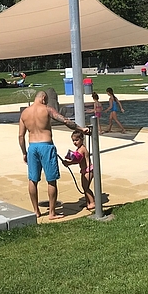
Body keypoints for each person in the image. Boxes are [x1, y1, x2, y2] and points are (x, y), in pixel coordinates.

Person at [18, 90, 89, 220]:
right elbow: (66, 121)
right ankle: (52, 212)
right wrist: (81, 129)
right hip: (46, 146)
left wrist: (24, 152)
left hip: (32, 147)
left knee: (32, 180)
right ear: (44, 98)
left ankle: (36, 211)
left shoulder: (25, 113)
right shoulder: (47, 109)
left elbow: (21, 136)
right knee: (51, 179)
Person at [61, 130, 95, 210]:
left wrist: (68, 163)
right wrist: (68, 161)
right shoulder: (79, 149)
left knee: (86, 187)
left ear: (82, 139)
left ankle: (93, 202)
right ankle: (88, 202)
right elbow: (77, 159)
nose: (74, 142)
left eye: (76, 140)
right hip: (84, 170)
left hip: (88, 170)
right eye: (73, 140)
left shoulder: (82, 149)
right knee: (84, 187)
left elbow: (77, 160)